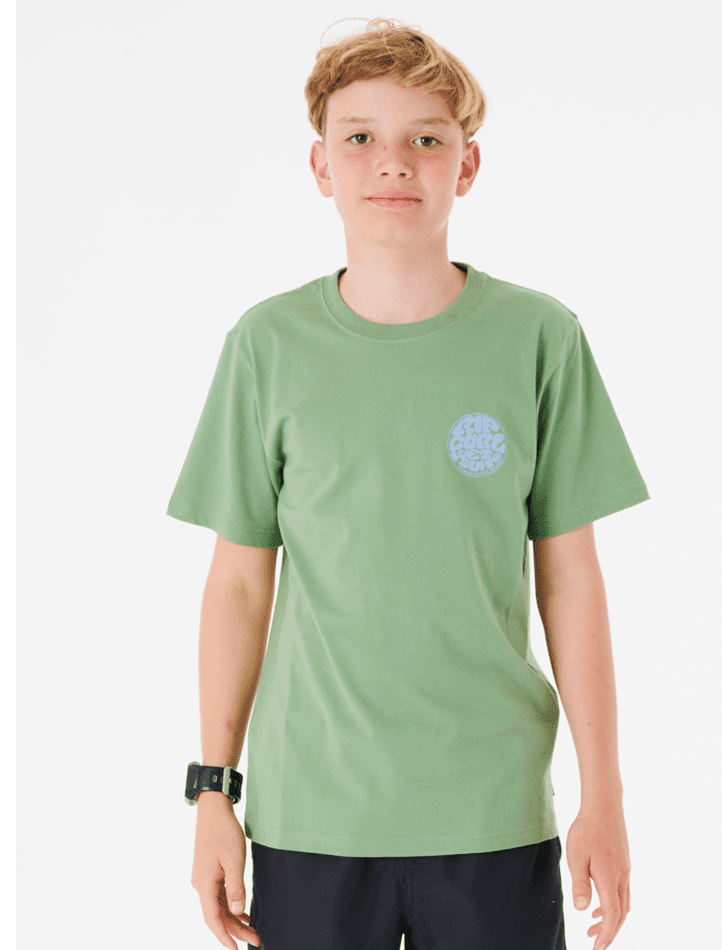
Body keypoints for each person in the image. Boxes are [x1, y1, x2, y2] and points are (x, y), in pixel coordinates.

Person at [168, 17, 650, 950]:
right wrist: (212, 795)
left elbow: (571, 581)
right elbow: (238, 584)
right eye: (360, 137)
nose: (393, 162)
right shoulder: (267, 347)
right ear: (322, 166)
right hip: (309, 817)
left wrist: (605, 796)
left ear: (468, 166)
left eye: (427, 139)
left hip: (492, 814)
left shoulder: (539, 339)